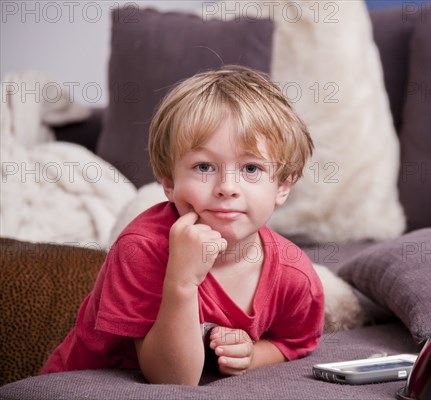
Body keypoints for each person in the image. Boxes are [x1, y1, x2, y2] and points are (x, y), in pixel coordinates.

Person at [41, 65, 325, 385]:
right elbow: (172, 380)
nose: (226, 187)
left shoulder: (294, 274)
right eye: (204, 166)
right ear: (169, 182)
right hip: (82, 383)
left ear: (283, 186)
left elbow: (295, 341)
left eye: (251, 168)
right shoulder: (142, 248)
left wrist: (253, 355)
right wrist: (182, 281)